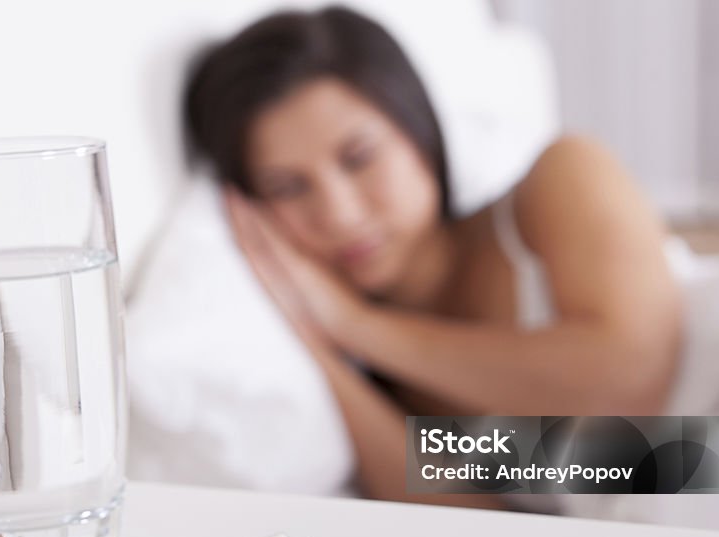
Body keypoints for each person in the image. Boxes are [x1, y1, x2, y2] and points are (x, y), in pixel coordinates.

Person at [182, 6, 681, 507]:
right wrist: (319, 345)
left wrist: (359, 325)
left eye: (359, 157)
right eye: (287, 188)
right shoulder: (380, 379)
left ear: (417, 128)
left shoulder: (559, 181)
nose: (339, 213)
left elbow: (629, 395)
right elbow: (484, 532)